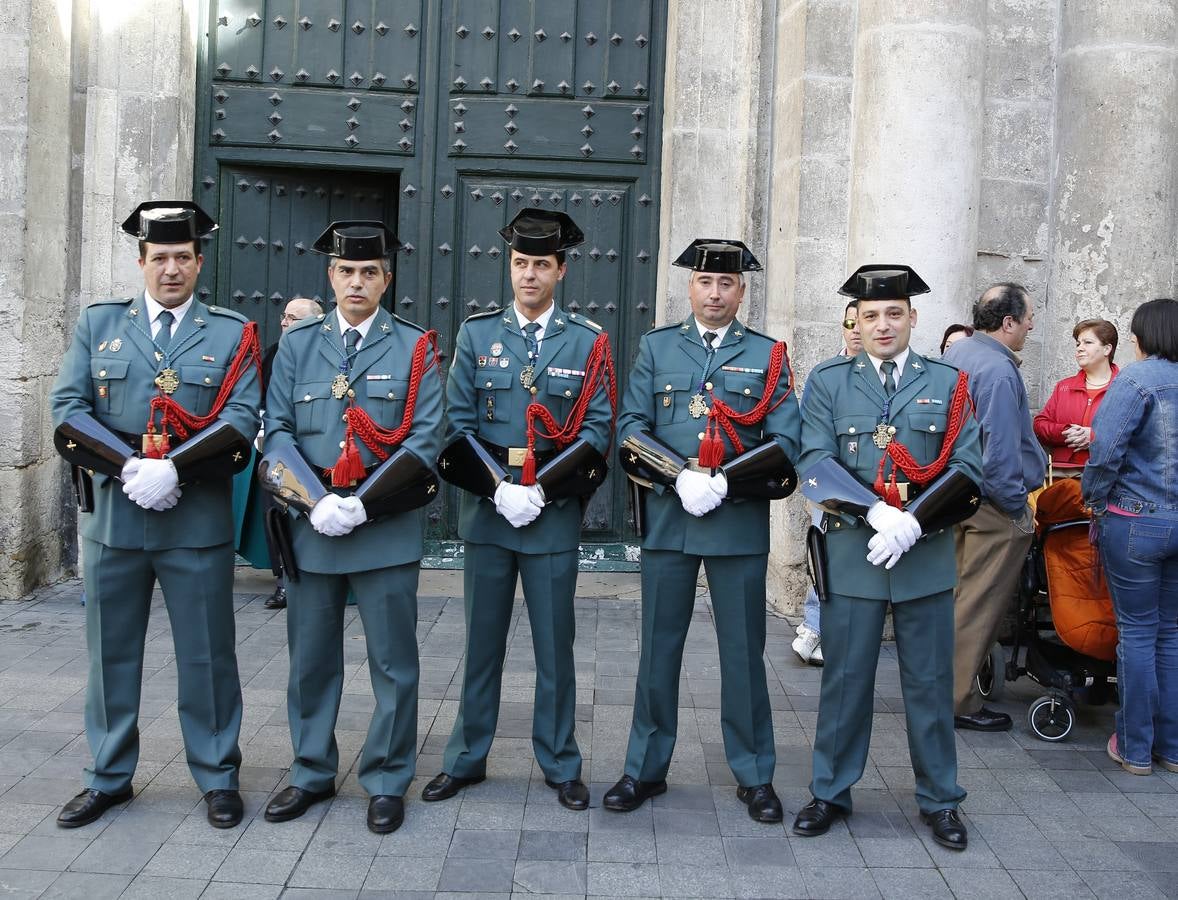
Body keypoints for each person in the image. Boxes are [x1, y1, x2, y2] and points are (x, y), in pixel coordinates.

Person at [49, 201, 260, 829]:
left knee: (208, 656)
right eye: (160, 258)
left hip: (195, 523)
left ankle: (218, 773)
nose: (171, 269)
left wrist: (176, 470)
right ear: (141, 262)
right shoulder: (99, 326)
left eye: (183, 258)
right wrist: (130, 468)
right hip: (114, 521)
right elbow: (68, 407)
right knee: (110, 655)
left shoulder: (230, 333)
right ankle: (109, 776)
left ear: (200, 263)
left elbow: (241, 418)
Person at [605, 239, 802, 823]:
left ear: (742, 291)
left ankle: (754, 774)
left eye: (726, 284)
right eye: (704, 282)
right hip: (670, 520)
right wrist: (679, 477)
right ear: (689, 287)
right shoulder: (658, 346)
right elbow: (632, 426)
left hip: (737, 524)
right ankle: (644, 767)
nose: (714, 294)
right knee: (657, 652)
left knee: (743, 655)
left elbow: (785, 441)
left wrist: (726, 482)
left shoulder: (768, 355)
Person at [424, 209, 615, 811]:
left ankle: (560, 761)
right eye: (520, 263)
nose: (528, 275)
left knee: (555, 646)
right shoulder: (477, 335)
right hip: (488, 516)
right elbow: (454, 425)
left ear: (561, 270)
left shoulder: (586, 342)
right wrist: (498, 489)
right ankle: (465, 757)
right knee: (481, 642)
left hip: (551, 518)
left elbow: (598, 429)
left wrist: (541, 492)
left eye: (541, 265)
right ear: (509, 266)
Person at [260, 220, 443, 834]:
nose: (357, 282)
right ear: (331, 276)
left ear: (386, 279)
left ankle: (388, 777)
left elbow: (425, 439)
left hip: (383, 530)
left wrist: (363, 503)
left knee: (393, 663)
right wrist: (315, 502)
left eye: (369, 272)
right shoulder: (298, 344)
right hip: (312, 527)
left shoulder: (414, 348)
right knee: (311, 659)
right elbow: (278, 431)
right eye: (346, 271)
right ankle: (311, 770)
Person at [793, 264, 982, 850]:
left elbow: (968, 469)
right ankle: (830, 790)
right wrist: (876, 515)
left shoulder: (948, 382)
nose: (882, 324)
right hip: (856, 551)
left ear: (912, 319)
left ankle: (941, 799)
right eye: (870, 315)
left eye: (893, 313)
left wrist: (913, 523)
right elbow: (814, 462)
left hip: (922, 556)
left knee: (929, 683)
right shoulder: (829, 381)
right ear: (856, 321)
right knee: (845, 683)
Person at [943, 283, 1046, 731]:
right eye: (1026, 319)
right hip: (992, 505)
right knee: (976, 606)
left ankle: (940, 691)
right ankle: (958, 701)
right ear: (1007, 323)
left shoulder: (957, 356)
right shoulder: (1000, 371)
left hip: (956, 499)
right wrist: (1016, 508)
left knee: (955, 600)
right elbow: (1000, 452)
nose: (1030, 326)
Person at [1083, 298, 1178, 777]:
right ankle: (1174, 747)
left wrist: (1094, 501)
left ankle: (1137, 748)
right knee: (1173, 634)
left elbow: (1103, 451)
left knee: (1138, 633)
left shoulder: (1137, 380)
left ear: (1140, 338)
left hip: (1136, 519)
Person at [793, 299, 863, 666]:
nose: (854, 330)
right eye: (848, 323)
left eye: (859, 322)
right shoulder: (826, 373)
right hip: (829, 483)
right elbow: (808, 431)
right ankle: (814, 625)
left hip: (868, 487)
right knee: (822, 557)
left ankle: (827, 630)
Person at [244, 296, 323, 610]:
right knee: (276, 513)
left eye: (294, 318)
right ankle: (284, 582)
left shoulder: (324, 353)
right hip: (279, 447)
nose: (285, 322)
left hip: (317, 449)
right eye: (284, 316)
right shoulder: (276, 352)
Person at [1033, 318, 1119, 476]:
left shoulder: (1125, 388)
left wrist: (1094, 437)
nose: (1080, 348)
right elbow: (1039, 425)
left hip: (1106, 478)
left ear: (1107, 349)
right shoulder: (1064, 387)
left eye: (1087, 342)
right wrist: (1066, 432)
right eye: (1078, 344)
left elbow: (1138, 436)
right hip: (1063, 477)